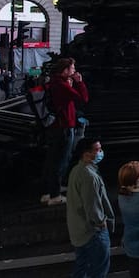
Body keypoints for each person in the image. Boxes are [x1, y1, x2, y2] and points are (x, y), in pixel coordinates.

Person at [66, 137, 117, 278]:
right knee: (98, 269)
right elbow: (92, 207)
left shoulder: (76, 171)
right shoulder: (89, 176)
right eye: (97, 149)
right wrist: (102, 223)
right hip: (92, 231)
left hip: (78, 229)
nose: (100, 152)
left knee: (81, 268)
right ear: (86, 153)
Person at [40, 58, 88, 205]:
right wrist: (79, 82)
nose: (74, 71)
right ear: (65, 70)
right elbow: (83, 98)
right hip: (64, 126)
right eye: (72, 68)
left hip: (55, 126)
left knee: (52, 159)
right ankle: (55, 195)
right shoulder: (62, 85)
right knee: (61, 160)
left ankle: (49, 191)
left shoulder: (53, 83)